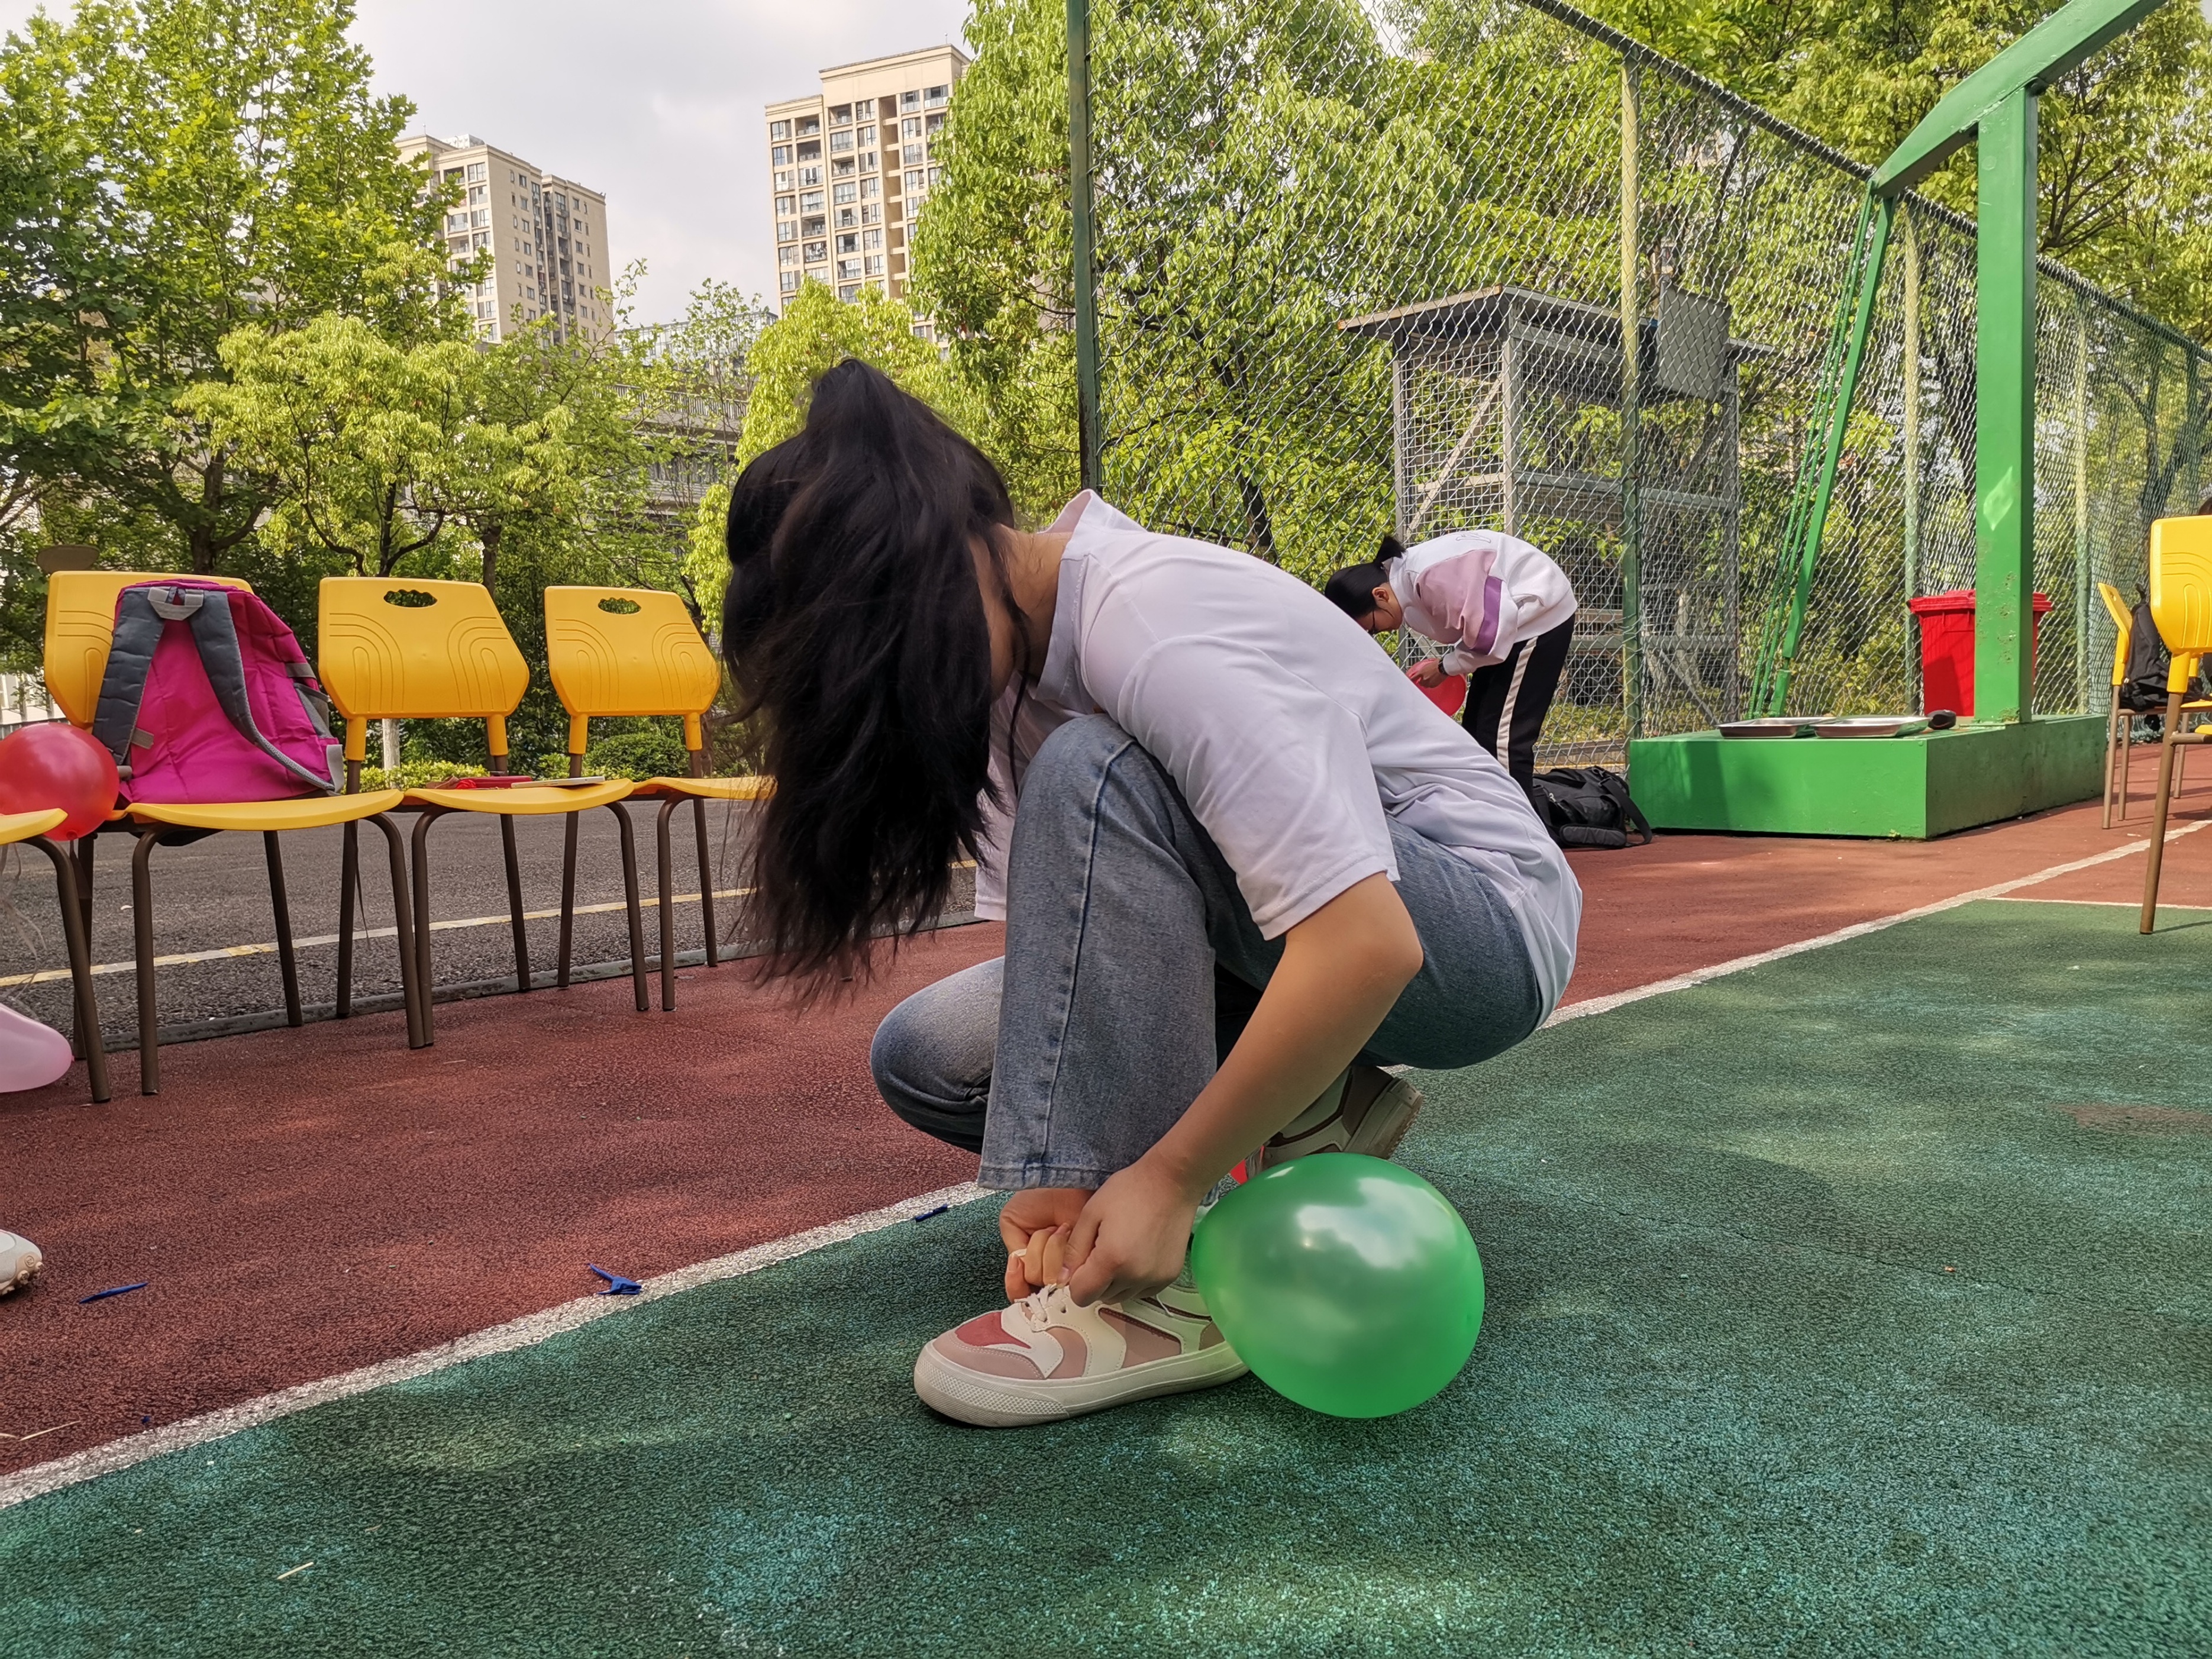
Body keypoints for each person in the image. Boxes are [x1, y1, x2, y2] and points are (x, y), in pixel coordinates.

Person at [721, 362, 1580, 1427]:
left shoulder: (1152, 618)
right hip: (1292, 932)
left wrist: (1167, 1178)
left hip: (1481, 923)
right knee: (928, 1057)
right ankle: (1321, 1093)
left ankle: (1169, 1295)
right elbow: (1072, 963)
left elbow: (1368, 942)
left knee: (1100, 768)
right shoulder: (1000, 682)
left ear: (952, 558)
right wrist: (1062, 1178)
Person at [1323, 531, 1578, 796]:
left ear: (1381, 596)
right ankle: (1488, 817)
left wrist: (1446, 667)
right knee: (1478, 731)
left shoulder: (1429, 578)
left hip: (1538, 617)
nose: (1380, 633)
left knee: (1503, 740)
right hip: (1510, 629)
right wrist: (1453, 664)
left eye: (1373, 628)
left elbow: (1489, 638)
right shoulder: (1405, 583)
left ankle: (1523, 833)